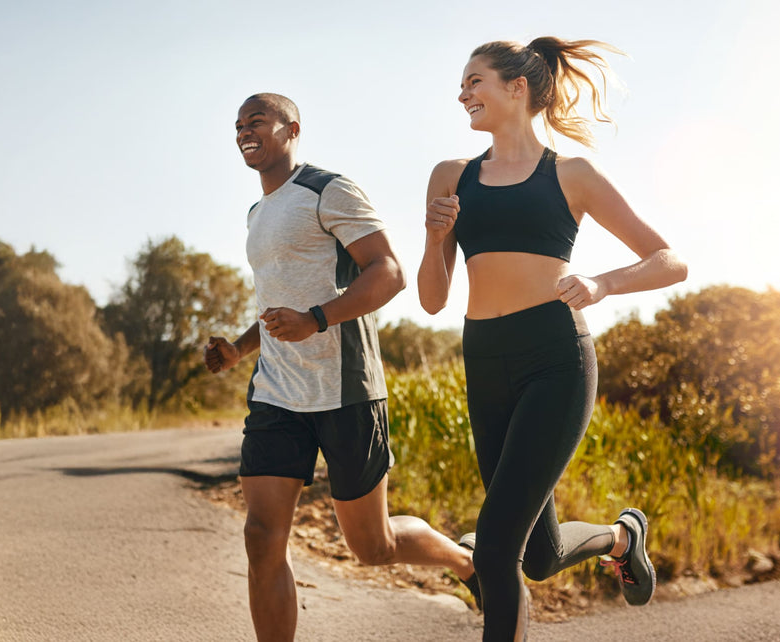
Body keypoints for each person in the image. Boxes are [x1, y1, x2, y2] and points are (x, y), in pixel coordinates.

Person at [418, 37, 688, 640]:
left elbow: (670, 261)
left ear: (517, 88)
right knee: (536, 557)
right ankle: (624, 537)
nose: (463, 94)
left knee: (492, 552)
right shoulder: (451, 175)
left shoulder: (572, 174)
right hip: (485, 359)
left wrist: (602, 282)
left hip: (555, 360)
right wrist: (435, 239)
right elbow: (432, 299)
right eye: (462, 85)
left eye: (475, 81)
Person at [205, 93, 476, 642]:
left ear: (291, 129)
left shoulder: (328, 189)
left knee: (372, 548)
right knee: (261, 537)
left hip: (346, 389)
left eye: (256, 120)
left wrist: (316, 319)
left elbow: (389, 272)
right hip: (278, 394)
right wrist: (238, 349)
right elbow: (277, 304)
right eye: (237, 125)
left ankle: (470, 564)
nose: (243, 131)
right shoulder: (257, 213)